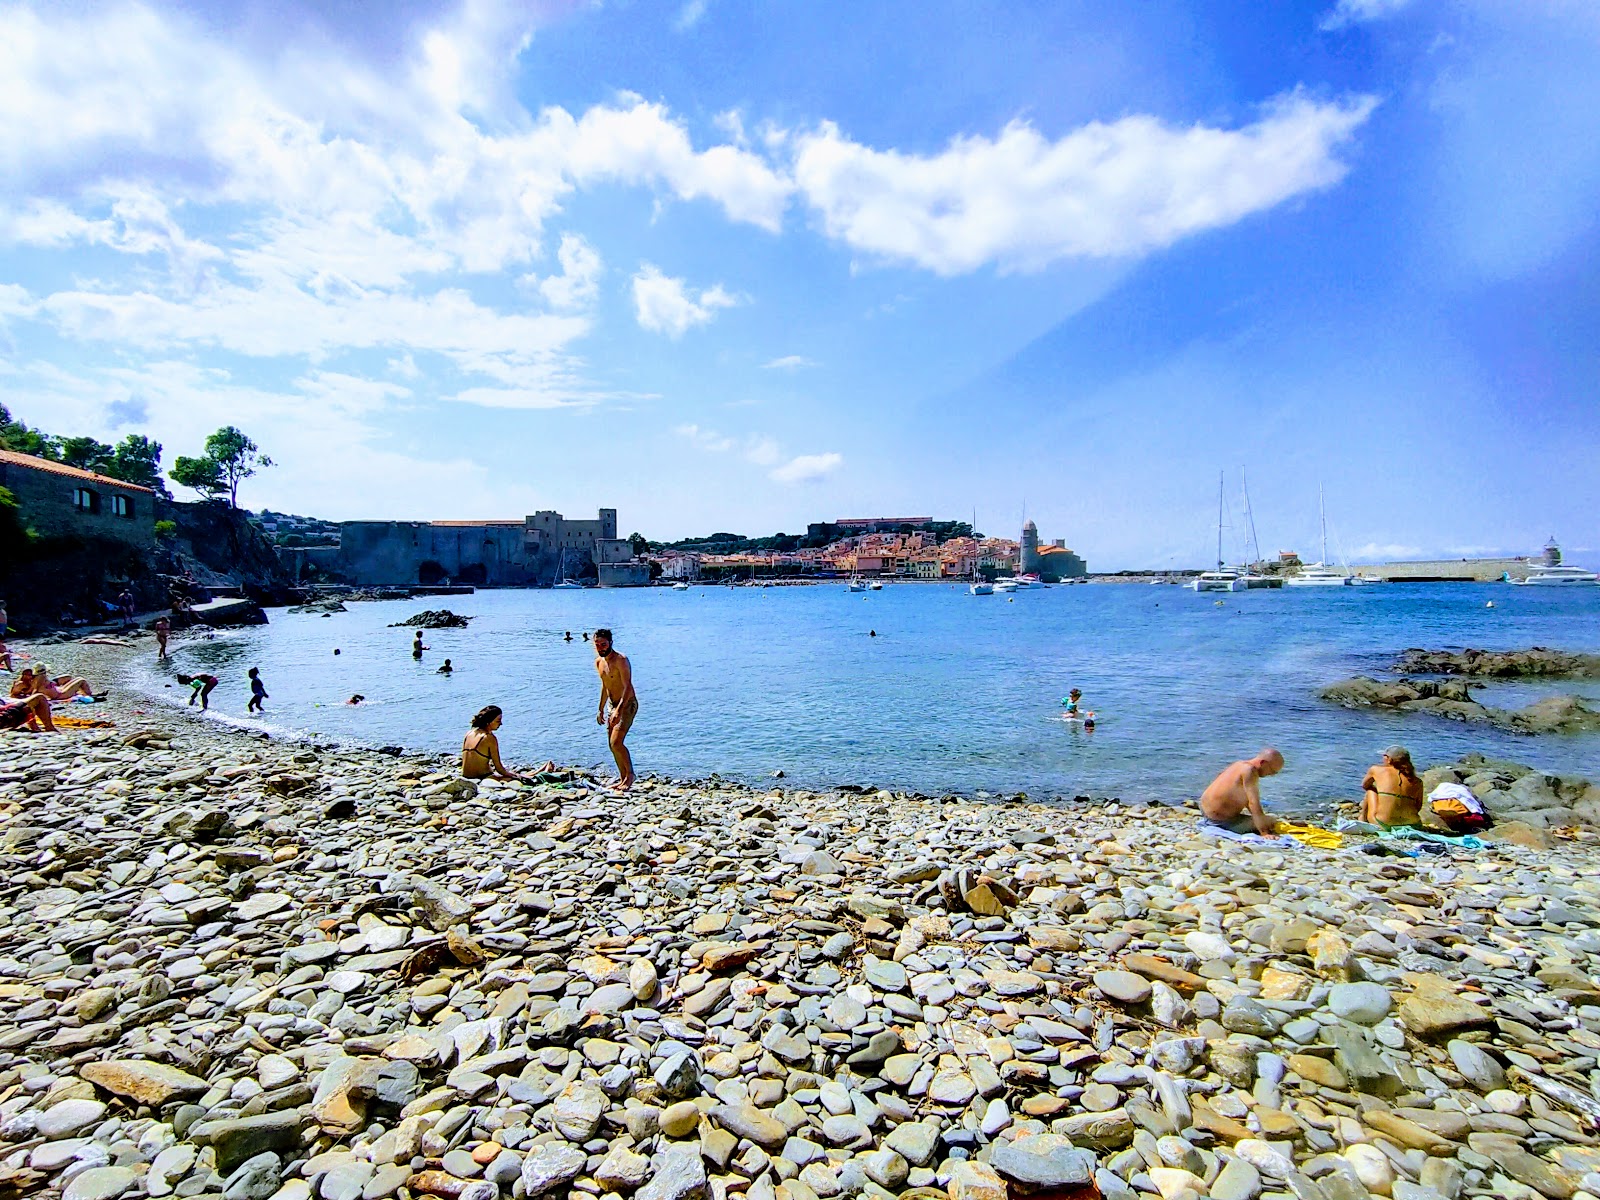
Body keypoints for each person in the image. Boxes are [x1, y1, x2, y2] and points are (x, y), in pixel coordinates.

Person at [1199, 749, 1284, 835]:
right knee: (1271, 821)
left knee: (1261, 819)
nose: (1271, 775)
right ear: (1262, 763)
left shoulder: (1239, 764)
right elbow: (1253, 803)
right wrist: (1264, 832)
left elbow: (1246, 799)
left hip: (1205, 811)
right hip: (1220, 821)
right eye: (1272, 771)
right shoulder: (1250, 771)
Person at [594, 628, 637, 792]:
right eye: (597, 645)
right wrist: (601, 709)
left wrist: (619, 710)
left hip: (627, 704)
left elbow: (627, 686)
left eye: (603, 644)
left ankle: (630, 776)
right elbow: (606, 686)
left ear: (610, 643)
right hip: (612, 705)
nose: (600, 648)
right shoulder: (599, 662)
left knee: (616, 742)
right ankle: (622, 778)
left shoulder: (621, 660)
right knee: (612, 745)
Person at [461, 704, 553, 781]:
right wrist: (514, 776)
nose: (501, 724)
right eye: (498, 721)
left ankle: (539, 771)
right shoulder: (489, 738)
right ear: (489, 722)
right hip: (482, 778)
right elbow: (499, 769)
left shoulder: (469, 733)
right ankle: (542, 772)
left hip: (466, 776)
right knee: (517, 778)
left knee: (513, 774)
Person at [1360, 745, 1424, 828]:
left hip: (1384, 824)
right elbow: (1418, 807)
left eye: (1384, 756)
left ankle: (1362, 819)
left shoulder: (1376, 770)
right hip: (1413, 825)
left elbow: (1365, 785)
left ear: (1389, 759)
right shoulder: (1418, 781)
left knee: (1370, 790)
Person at [29, 667, 95, 701]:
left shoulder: (39, 680)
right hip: (61, 695)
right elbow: (35, 692)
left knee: (71, 677)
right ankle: (89, 695)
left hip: (59, 690)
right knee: (81, 680)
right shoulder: (39, 682)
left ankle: (82, 692)